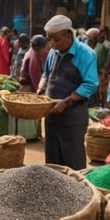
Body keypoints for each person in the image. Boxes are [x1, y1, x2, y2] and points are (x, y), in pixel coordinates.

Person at [38, 15, 99, 170]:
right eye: (49, 39)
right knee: (52, 158)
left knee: (73, 158)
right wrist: (40, 88)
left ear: (68, 34)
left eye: (56, 39)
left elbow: (90, 84)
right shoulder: (53, 52)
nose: (51, 44)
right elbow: (46, 73)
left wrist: (67, 102)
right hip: (52, 114)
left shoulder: (86, 54)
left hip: (73, 116)